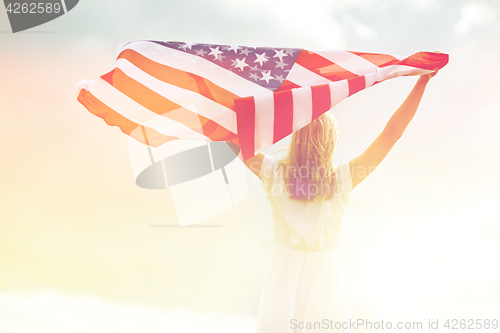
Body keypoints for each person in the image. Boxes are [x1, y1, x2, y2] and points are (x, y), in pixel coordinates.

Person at [235, 71, 437, 332]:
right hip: (326, 287)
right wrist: (422, 82)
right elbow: (392, 133)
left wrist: (212, 102)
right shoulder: (342, 180)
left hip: (282, 287)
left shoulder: (274, 174)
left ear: (296, 139)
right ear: (331, 143)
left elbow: (233, 139)